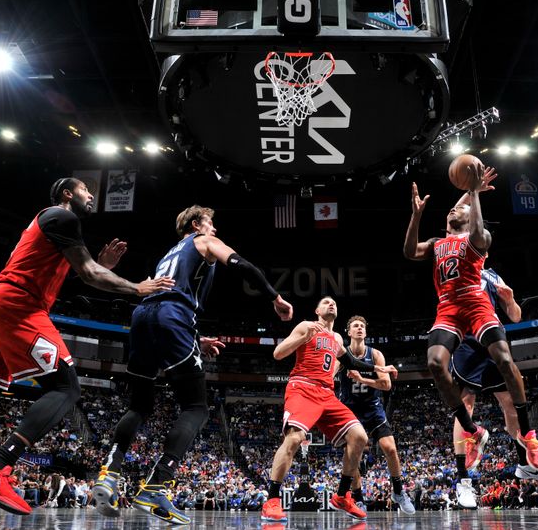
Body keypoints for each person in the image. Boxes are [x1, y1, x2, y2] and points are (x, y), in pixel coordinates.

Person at [0, 177, 173, 519]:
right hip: (18, 305)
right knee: (66, 387)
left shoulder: (53, 227)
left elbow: (75, 278)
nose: (92, 196)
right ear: (67, 194)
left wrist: (100, 267)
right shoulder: (63, 217)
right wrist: (137, 287)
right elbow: (88, 274)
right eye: (86, 190)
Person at [92, 205, 293, 525]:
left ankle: (108, 475)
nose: (215, 230)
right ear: (198, 225)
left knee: (140, 404)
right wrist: (275, 297)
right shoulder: (203, 241)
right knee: (196, 407)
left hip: (143, 318)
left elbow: (162, 302)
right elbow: (244, 266)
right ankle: (156, 485)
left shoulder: (167, 255)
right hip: (173, 319)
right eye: (212, 224)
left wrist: (196, 340)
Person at [403, 169, 538, 480]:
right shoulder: (439, 242)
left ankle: (528, 434)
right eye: (452, 209)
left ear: (470, 218)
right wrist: (416, 215)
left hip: (476, 304)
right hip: (449, 308)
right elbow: (409, 251)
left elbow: (477, 227)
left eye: (460, 209)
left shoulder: (478, 239)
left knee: (506, 360)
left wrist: (475, 193)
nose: (453, 209)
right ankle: (473, 432)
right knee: (435, 363)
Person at [261, 297, 398, 522]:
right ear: (317, 310)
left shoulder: (336, 338)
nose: (331, 304)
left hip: (327, 393)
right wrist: (303, 338)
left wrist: (378, 367)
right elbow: (278, 353)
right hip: (303, 387)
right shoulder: (306, 326)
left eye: (334, 302)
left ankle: (342, 495)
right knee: (295, 439)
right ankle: (272, 500)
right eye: (326, 302)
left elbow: (352, 362)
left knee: (359, 437)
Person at [337, 315, 415, 514]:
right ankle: (358, 498)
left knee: (390, 448)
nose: (360, 328)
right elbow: (329, 375)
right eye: (355, 326)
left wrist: (362, 379)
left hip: (372, 407)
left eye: (362, 325)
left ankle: (398, 491)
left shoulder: (376, 355)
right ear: (349, 332)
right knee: (353, 455)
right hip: (349, 409)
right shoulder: (342, 355)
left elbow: (386, 385)